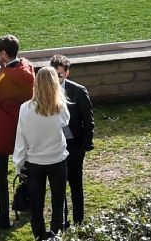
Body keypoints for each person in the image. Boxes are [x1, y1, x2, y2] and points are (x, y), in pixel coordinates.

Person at [0, 34, 35, 229]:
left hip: (3, 130)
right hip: (24, 128)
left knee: (0, 174)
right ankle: (28, 203)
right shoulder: (28, 67)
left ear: (3, 53)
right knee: (28, 168)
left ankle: (3, 215)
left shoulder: (3, 77)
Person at [13, 66, 71, 241]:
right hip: (57, 160)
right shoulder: (60, 108)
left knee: (36, 204)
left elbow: (20, 140)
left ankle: (40, 236)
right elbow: (66, 121)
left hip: (34, 162)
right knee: (58, 200)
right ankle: (56, 234)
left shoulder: (25, 109)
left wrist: (18, 165)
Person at [50, 55, 94, 228]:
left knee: (76, 185)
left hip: (74, 145)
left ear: (66, 73)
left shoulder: (78, 91)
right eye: (54, 74)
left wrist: (85, 144)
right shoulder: (46, 91)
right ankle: (63, 221)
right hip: (55, 145)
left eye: (59, 75)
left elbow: (88, 120)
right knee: (58, 187)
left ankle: (78, 220)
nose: (56, 78)